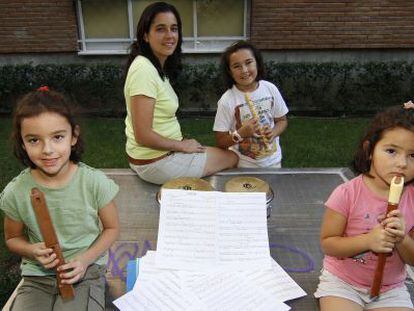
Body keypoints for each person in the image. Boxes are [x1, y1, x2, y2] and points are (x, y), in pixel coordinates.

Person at [1, 86, 120, 310]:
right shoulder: (16, 192)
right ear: (23, 143)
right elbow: (12, 238)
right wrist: (31, 251)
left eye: (57, 137)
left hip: (85, 272)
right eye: (34, 140)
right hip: (37, 277)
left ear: (73, 136)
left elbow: (111, 228)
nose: (47, 149)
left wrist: (84, 260)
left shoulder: (93, 182)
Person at [124, 1, 237, 185]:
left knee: (212, 153)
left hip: (159, 155)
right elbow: (143, 135)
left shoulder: (153, 66)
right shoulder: (143, 70)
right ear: (145, 35)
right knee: (232, 157)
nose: (170, 36)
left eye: (174, 29)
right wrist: (182, 146)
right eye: (161, 29)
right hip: (156, 162)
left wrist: (180, 143)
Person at [314, 103, 414, 310]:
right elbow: (328, 244)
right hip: (342, 284)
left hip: (391, 289)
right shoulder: (346, 194)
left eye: (413, 155)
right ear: (369, 151)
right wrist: (368, 241)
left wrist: (401, 239)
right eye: (391, 151)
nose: (402, 163)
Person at [213, 40, 288, 168]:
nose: (244, 70)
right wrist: (240, 134)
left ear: (257, 64)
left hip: (273, 162)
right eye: (237, 66)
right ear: (230, 72)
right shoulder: (227, 100)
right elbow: (220, 141)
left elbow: (282, 120)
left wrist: (273, 132)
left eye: (248, 62)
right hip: (243, 165)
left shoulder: (270, 89)